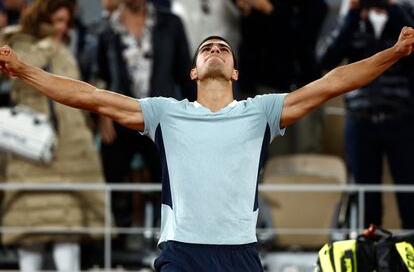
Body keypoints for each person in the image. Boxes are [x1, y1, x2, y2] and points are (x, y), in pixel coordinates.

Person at [1, 24, 414, 270]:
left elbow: (332, 83)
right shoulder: (164, 113)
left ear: (235, 70)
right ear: (193, 70)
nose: (215, 50)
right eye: (206, 49)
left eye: (223, 49)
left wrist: (393, 53)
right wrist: (22, 71)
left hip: (241, 254)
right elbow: (90, 96)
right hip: (182, 252)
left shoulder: (262, 112)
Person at [0, 0, 106, 272]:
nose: (62, 27)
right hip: (29, 148)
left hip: (68, 153)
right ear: (42, 18)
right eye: (57, 20)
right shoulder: (17, 40)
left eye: (66, 22)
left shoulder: (66, 49)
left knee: (67, 230)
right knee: (29, 231)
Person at [96, 0, 195, 247]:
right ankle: (114, 245)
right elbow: (99, 76)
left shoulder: (170, 23)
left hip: (162, 116)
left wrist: (192, 114)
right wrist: (102, 116)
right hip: (119, 116)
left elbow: (184, 73)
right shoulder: (106, 29)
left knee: (168, 182)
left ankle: (172, 242)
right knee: (113, 180)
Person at [318, 0, 414, 229]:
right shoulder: (352, 18)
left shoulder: (406, 14)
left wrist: (393, 10)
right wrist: (349, 17)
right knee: (365, 200)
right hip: (360, 121)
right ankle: (369, 260)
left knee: (409, 195)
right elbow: (325, 58)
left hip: (402, 120)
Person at [237, 0, 328, 154]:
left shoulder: (316, 5)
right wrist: (247, 14)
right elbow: (251, 42)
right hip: (270, 89)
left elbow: (300, 39)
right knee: (275, 151)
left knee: (306, 149)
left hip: (305, 88)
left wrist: (270, 11)